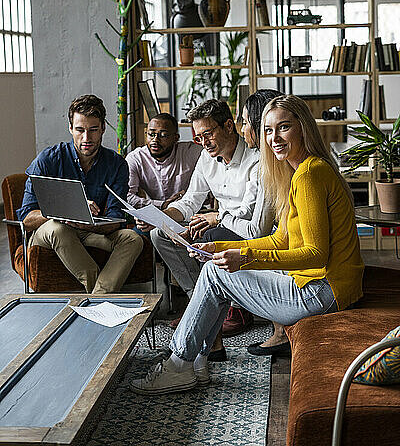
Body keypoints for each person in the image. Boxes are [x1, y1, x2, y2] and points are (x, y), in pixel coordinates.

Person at [132, 94, 364, 394]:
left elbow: (316, 255)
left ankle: (179, 364)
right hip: (324, 285)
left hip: (322, 291)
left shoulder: (309, 175)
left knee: (215, 275)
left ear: (303, 127)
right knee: (215, 268)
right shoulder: (302, 170)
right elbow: (282, 239)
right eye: (268, 130)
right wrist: (235, 250)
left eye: (283, 128)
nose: (273, 137)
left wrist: (246, 260)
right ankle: (197, 360)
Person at [148, 98, 270, 338]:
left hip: (245, 229)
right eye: (198, 138)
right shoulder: (206, 158)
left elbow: (247, 213)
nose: (204, 143)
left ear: (227, 126)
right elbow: (191, 200)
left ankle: (237, 310)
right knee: (159, 234)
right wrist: (163, 217)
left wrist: (214, 218)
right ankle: (200, 303)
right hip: (218, 222)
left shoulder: (255, 160)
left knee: (209, 233)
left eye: (208, 134)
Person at [17, 94, 143, 294]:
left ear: (103, 128)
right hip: (51, 233)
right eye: (80, 130)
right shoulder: (48, 160)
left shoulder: (116, 164)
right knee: (58, 228)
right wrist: (69, 210)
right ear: (70, 129)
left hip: (91, 231)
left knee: (132, 238)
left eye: (93, 130)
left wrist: (90, 221)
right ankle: (101, 296)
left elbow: (116, 218)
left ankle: (98, 298)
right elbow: (27, 218)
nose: (86, 138)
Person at [126, 112, 202, 210]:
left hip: (190, 212)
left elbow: (215, 160)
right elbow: (127, 196)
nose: (155, 140)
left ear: (176, 138)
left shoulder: (190, 152)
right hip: (154, 214)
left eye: (163, 135)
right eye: (151, 134)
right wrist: (162, 204)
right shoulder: (136, 158)